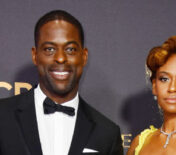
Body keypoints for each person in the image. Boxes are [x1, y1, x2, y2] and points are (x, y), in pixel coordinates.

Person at [0, 10, 123, 155]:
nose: (60, 58)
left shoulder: (107, 133)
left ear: (84, 57)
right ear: (35, 55)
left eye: (70, 49)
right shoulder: (3, 116)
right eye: (49, 49)